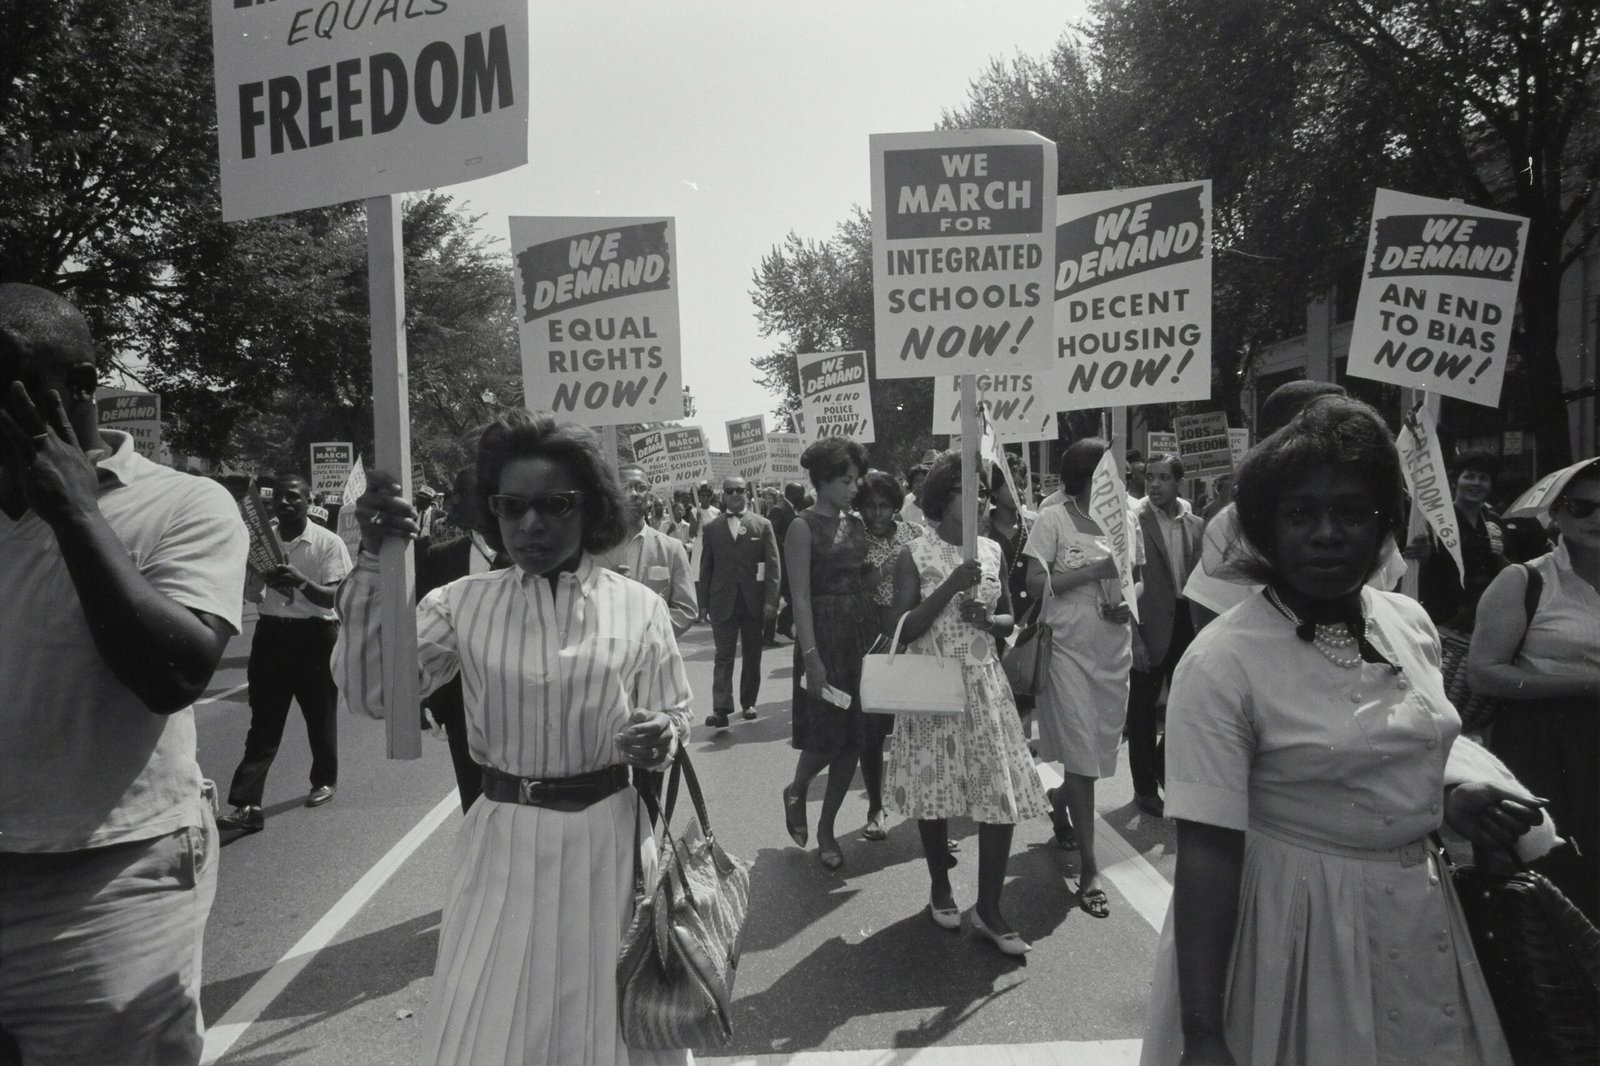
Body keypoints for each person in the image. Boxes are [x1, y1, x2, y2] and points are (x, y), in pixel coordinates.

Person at [1141, 396, 1541, 1066]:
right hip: (1295, 934)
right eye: (1300, 515)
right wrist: (1203, 1032)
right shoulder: (1220, 662)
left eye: (1351, 513)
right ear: (1267, 529)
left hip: (1421, 915)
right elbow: (1207, 853)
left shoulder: (1409, 622)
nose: (1326, 533)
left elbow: (1396, 751)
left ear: (1383, 524)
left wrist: (1447, 806)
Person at [336, 410, 691, 1065]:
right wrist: (369, 565)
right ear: (490, 510)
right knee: (490, 1028)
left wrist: (660, 734)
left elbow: (673, 712)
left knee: (609, 1031)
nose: (531, 524)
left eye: (554, 505)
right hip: (501, 839)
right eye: (511, 506)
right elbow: (374, 693)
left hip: (609, 844)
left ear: (591, 508)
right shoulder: (459, 603)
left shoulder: (639, 606)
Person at [0, 283, 247, 1064]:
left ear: (75, 388)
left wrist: (74, 512)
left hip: (107, 884)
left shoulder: (184, 505)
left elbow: (172, 676)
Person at [884, 453, 1049, 954]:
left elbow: (1014, 624)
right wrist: (951, 588)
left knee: (997, 797)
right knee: (935, 794)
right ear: (941, 498)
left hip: (984, 685)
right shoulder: (917, 552)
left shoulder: (993, 551)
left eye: (981, 487)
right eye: (965, 488)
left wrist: (988, 620)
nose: (977, 496)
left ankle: (991, 908)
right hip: (933, 685)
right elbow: (902, 630)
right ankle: (940, 884)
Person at [1469, 457, 1600, 924]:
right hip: (1545, 746)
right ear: (1556, 514)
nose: (1597, 518)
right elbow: (1484, 672)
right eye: (1583, 507)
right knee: (1554, 881)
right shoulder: (1526, 580)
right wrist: (1585, 684)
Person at [1024, 437, 1136, 919]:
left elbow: (1138, 576)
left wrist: (1123, 603)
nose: (1125, 475)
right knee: (1083, 755)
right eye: (1115, 469)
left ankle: (1057, 797)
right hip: (1067, 650)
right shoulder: (1053, 518)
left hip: (1114, 651)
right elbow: (1033, 584)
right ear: (1092, 474)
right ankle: (1091, 868)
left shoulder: (1125, 520)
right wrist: (1094, 571)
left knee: (1094, 751)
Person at [217, 472, 352, 831]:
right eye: (279, 497)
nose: (286, 503)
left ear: (309, 500)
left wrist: (301, 583)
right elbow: (251, 597)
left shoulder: (328, 542)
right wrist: (260, 578)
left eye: (294, 497)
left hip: (316, 637)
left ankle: (324, 780)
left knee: (319, 715)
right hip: (272, 636)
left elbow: (337, 598)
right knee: (263, 722)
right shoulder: (260, 543)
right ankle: (247, 804)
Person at [783, 437, 874, 870]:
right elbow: (799, 598)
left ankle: (826, 829)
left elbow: (866, 578)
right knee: (825, 738)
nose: (853, 488)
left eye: (856, 480)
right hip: (823, 640)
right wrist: (812, 656)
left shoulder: (857, 525)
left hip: (858, 641)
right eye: (845, 480)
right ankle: (797, 787)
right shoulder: (801, 527)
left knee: (853, 740)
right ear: (821, 481)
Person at [416, 464, 503, 813]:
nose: (452, 501)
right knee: (476, 806)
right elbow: (421, 636)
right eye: (451, 493)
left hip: (519, 701)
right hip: (462, 707)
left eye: (462, 492)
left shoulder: (532, 556)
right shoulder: (439, 557)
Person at [1128, 453, 1204, 819]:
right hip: (1149, 627)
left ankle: (1162, 765)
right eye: (1149, 477)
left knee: (1187, 708)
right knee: (1142, 713)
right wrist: (1134, 638)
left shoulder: (1196, 525)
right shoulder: (1133, 523)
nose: (1154, 484)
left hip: (1187, 625)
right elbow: (1125, 584)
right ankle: (1144, 789)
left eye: (1162, 478)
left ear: (1179, 483)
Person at [855, 470, 924, 841]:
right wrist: (886, 567)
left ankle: (926, 813)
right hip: (875, 638)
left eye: (884, 506)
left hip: (914, 636)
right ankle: (876, 807)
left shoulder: (915, 534)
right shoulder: (854, 539)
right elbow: (854, 585)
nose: (877, 514)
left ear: (897, 506)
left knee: (917, 726)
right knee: (873, 730)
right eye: (870, 507)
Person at [698, 474, 781, 728]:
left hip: (753, 601)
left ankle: (748, 703)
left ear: (747, 494)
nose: (735, 495)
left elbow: (773, 566)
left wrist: (771, 600)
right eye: (730, 491)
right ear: (722, 495)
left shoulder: (762, 524)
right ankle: (721, 708)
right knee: (723, 655)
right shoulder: (712, 528)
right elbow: (705, 568)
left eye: (740, 490)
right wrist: (703, 603)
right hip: (722, 600)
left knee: (752, 654)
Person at [595, 462, 699, 637]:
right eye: (625, 487)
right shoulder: (592, 549)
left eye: (640, 487)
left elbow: (686, 610)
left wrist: (645, 634)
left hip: (655, 654)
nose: (634, 493)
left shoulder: (671, 549)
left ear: (649, 495)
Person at [1411, 450, 1510, 631]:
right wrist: (1423, 558)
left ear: (1490, 485)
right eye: (1469, 476)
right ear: (1455, 480)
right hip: (1443, 621)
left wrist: (1500, 556)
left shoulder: (1493, 520)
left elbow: (1508, 573)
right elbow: (1416, 574)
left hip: (1484, 619)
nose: (1476, 483)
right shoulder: (1435, 521)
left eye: (1483, 478)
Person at [764, 480, 803, 644]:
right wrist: (788, 541)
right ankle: (768, 636)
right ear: (792, 494)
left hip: (788, 563)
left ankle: (784, 625)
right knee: (774, 600)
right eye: (800, 494)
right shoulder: (779, 510)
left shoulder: (790, 508)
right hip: (780, 563)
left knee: (794, 597)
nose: (803, 497)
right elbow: (770, 535)